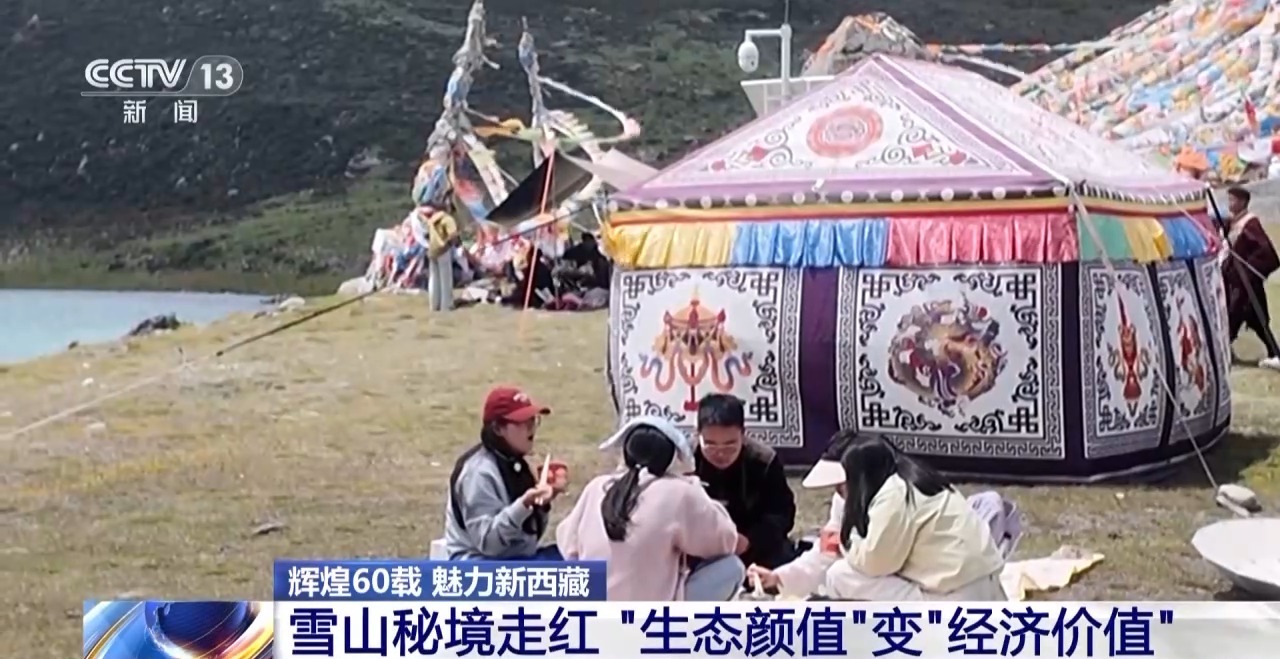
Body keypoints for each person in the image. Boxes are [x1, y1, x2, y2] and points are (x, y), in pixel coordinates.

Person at [748, 433, 1006, 601]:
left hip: (955, 597)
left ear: (860, 475)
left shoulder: (895, 494)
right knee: (839, 572)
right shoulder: (882, 487)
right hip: (974, 589)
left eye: (841, 484)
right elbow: (828, 549)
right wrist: (781, 578)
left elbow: (873, 563)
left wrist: (845, 540)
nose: (838, 491)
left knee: (840, 575)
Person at [557, 417, 745, 600]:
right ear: (670, 457)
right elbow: (726, 540)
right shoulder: (679, 491)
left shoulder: (597, 486)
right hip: (651, 614)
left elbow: (567, 543)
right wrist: (696, 489)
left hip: (593, 607)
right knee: (732, 567)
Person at [443, 386, 566, 560]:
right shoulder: (478, 474)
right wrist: (523, 506)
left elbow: (528, 539)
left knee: (577, 555)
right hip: (477, 565)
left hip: (513, 559)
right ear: (498, 428)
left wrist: (542, 503)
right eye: (522, 422)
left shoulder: (514, 463)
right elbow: (489, 544)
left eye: (533, 420)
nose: (531, 427)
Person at [694, 394, 797, 571]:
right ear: (698, 434)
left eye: (730, 445)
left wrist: (750, 540)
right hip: (697, 545)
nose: (720, 454)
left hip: (750, 545)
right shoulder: (684, 461)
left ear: (743, 434)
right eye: (710, 445)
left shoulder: (763, 460)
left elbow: (782, 513)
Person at [1221, 186, 1280, 370]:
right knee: (1252, 320)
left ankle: (1223, 351)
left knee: (1234, 316)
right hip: (1235, 282)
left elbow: (1268, 254)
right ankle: (1274, 353)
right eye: (1229, 199)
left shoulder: (1250, 224)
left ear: (1243, 202)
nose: (1230, 203)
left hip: (1245, 285)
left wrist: (1247, 270)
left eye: (1233, 200)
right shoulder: (1232, 221)